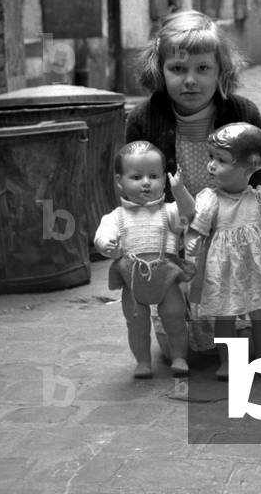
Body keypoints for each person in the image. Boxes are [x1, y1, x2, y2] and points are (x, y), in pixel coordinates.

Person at [185, 123, 261, 380]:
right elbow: (198, 227)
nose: (211, 165)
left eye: (221, 160)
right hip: (224, 270)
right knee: (225, 315)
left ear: (252, 165)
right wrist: (194, 240)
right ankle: (228, 361)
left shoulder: (259, 197)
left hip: (257, 268)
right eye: (211, 157)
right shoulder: (210, 199)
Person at [126, 9, 261, 197]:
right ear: (159, 70)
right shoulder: (142, 120)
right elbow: (135, 192)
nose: (190, 80)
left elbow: (255, 192)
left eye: (202, 68)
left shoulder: (245, 116)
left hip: (232, 223)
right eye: (177, 68)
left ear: (220, 70)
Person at [94, 141, 196, 379]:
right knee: (136, 323)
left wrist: (179, 190)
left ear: (163, 178)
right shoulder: (116, 216)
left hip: (167, 279)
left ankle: (179, 357)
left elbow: (189, 214)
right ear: (120, 182)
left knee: (175, 317)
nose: (146, 182)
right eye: (136, 177)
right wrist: (105, 243)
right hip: (133, 282)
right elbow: (102, 235)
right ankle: (142, 361)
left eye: (153, 175)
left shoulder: (169, 211)